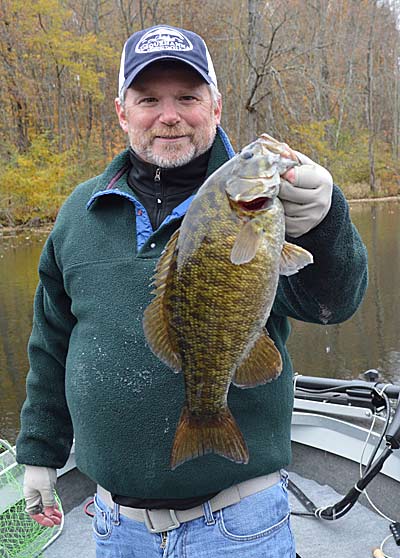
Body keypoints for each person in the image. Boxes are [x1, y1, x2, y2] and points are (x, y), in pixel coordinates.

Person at [16, 25, 368, 558]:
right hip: (114, 525)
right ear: (122, 112)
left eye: (187, 97)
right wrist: (40, 453)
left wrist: (324, 221)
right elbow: (51, 343)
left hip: (240, 521)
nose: (169, 115)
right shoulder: (78, 215)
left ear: (216, 106)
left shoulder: (271, 210)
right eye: (149, 99)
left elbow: (334, 302)